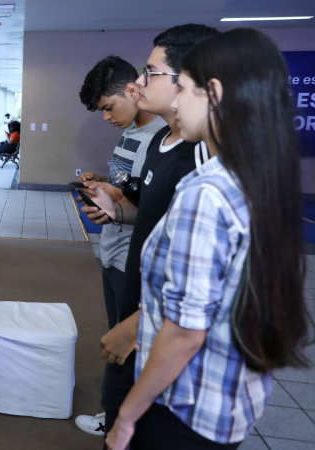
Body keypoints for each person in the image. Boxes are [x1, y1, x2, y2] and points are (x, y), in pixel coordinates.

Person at [105, 28, 309, 450]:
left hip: (183, 408)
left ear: (212, 91)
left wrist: (126, 418)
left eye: (182, 88)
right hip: (229, 403)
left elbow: (185, 332)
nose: (175, 102)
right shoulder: (256, 177)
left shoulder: (207, 192)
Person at [78, 24, 220, 442]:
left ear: (193, 83)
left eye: (150, 73)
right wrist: (116, 206)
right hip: (144, 296)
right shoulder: (162, 137)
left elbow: (195, 297)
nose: (139, 85)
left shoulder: (205, 167)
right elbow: (149, 214)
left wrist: (138, 325)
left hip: (163, 324)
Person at [73, 55, 166, 436]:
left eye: (109, 108)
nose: (107, 117)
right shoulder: (131, 129)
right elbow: (129, 186)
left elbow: (152, 205)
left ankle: (124, 421)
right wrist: (106, 185)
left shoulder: (162, 138)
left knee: (132, 345)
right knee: (117, 336)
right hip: (112, 251)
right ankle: (116, 414)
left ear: (132, 89)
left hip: (135, 258)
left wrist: (116, 201)